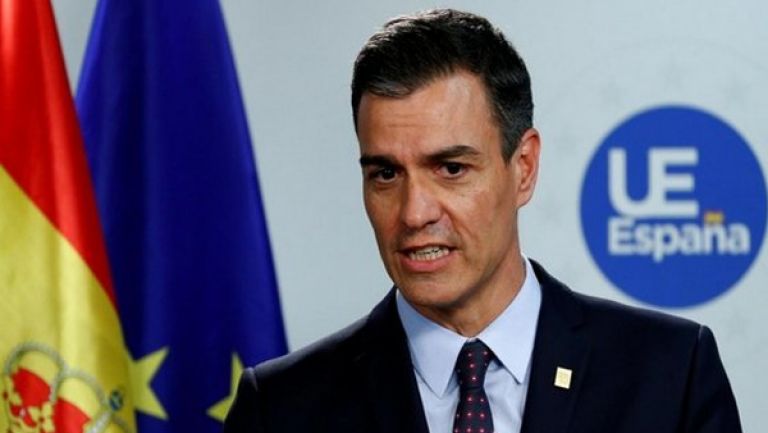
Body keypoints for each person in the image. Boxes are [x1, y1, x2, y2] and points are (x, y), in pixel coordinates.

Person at [224, 8, 741, 433]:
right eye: (385, 173)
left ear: (524, 168)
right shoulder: (281, 409)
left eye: (451, 169)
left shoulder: (670, 375)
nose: (414, 212)